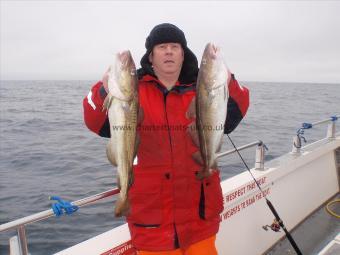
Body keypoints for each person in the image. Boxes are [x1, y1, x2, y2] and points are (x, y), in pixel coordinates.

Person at [83, 23, 249, 255]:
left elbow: (234, 115)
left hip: (200, 214)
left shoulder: (201, 88)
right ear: (151, 55)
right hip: (152, 220)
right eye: (162, 47)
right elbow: (95, 122)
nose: (169, 51)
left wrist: (228, 81)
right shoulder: (132, 88)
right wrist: (103, 88)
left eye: (175, 46)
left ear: (183, 54)